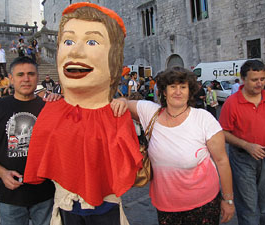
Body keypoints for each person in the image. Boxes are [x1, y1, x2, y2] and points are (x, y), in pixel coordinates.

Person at [23, 3, 143, 225]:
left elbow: (126, 167)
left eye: (92, 42)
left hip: (105, 206)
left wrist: (122, 101)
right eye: (68, 41)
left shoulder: (116, 113)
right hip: (67, 204)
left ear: (113, 60)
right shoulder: (52, 110)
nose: (75, 51)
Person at [112, 66, 235, 225]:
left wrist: (228, 200)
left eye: (183, 87)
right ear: (164, 91)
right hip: (166, 205)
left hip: (204, 203)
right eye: (173, 87)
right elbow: (125, 103)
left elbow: (222, 161)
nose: (178, 91)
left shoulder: (203, 119)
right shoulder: (151, 112)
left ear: (189, 91)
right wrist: (121, 100)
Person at [0, 57, 55, 225]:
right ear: (11, 78)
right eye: (20, 74)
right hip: (10, 196)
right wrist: (2, 173)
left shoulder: (49, 107)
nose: (26, 79)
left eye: (31, 74)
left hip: (45, 194)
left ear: (38, 77)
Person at [219, 59, 265, 225]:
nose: (259, 83)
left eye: (262, 79)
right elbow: (223, 132)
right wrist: (247, 145)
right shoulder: (232, 103)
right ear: (243, 80)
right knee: (249, 207)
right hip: (243, 158)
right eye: (255, 80)